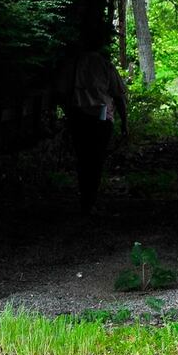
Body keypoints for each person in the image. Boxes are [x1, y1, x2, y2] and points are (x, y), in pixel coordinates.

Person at [57, 22, 129, 214]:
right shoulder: (105, 65)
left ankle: (85, 198)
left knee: (83, 158)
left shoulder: (73, 64)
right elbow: (119, 96)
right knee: (96, 160)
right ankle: (90, 200)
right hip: (101, 119)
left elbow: (62, 92)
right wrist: (124, 124)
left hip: (78, 117)